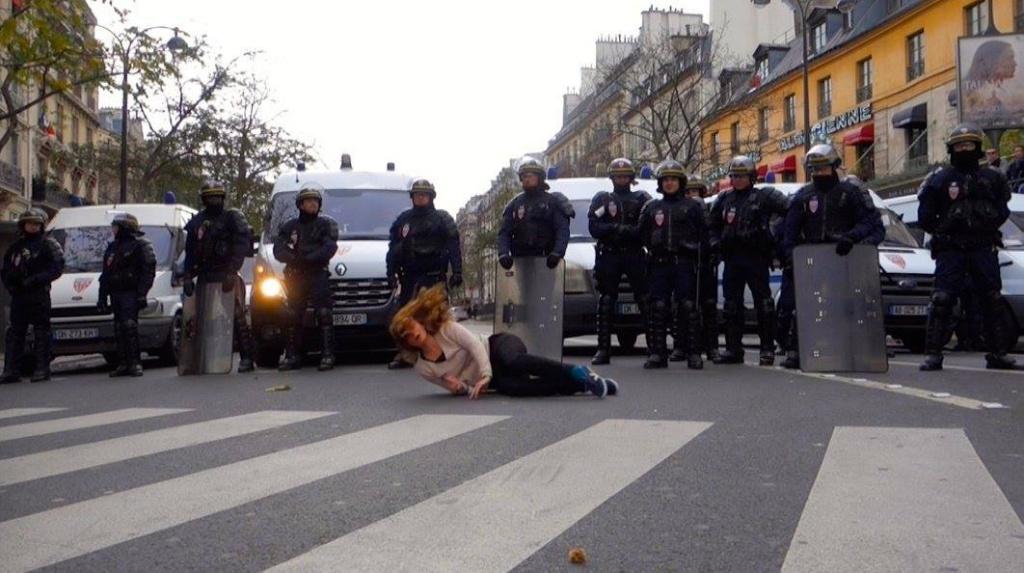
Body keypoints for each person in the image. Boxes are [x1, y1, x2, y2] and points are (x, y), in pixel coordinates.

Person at [390, 285, 617, 399]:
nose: (412, 334)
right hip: (489, 377)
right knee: (514, 388)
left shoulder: (445, 329)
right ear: (406, 342)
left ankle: (575, 371)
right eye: (406, 335)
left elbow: (475, 346)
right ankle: (583, 385)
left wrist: (486, 374)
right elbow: (459, 389)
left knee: (514, 361)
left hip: (496, 346)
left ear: (419, 322)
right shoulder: (423, 367)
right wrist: (461, 388)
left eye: (412, 327)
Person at [918, 124, 1016, 371]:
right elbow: (925, 216)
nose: (964, 149)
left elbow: (1003, 210)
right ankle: (933, 354)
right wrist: (945, 229)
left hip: (983, 246)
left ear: (978, 148)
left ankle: (997, 353)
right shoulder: (940, 180)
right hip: (951, 248)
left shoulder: (992, 178)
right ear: (952, 149)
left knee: (992, 299)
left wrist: (986, 223)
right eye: (960, 145)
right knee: (942, 299)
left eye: (969, 145)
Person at [780, 144, 885, 370]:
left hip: (843, 258)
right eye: (814, 170)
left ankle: (852, 349)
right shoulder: (803, 197)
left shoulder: (852, 193)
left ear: (834, 166)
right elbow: (788, 233)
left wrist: (851, 238)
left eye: (823, 168)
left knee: (847, 307)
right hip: (813, 260)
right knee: (806, 307)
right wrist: (792, 260)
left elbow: (873, 225)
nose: (819, 174)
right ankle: (798, 350)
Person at [709, 156, 789, 366]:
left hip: (756, 257)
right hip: (732, 258)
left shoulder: (764, 196)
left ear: (751, 177)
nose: (737, 179)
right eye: (734, 176)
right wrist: (715, 242)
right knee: (731, 306)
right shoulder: (724, 199)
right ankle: (733, 349)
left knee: (764, 305)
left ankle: (767, 349)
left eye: (741, 176)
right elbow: (711, 226)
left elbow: (791, 211)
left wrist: (773, 233)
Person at [385, 178, 462, 369]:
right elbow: (393, 249)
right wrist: (390, 273)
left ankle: (445, 352)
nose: (421, 197)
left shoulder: (442, 219)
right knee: (406, 317)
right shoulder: (403, 220)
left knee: (438, 317)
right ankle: (406, 354)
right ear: (412, 197)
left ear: (431, 197)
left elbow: (453, 246)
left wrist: (457, 271)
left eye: (424, 194)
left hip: (434, 275)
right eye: (417, 194)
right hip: (410, 276)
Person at [638, 159, 707, 370]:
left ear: (681, 182)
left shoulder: (693, 206)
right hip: (659, 263)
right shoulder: (652, 207)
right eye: (665, 179)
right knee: (658, 307)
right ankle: (658, 353)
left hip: (684, 263)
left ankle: (694, 353)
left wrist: (696, 250)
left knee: (688, 307)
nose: (669, 183)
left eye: (673, 179)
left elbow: (705, 235)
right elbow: (642, 235)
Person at [182, 181, 256, 373]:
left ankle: (247, 357)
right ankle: (198, 359)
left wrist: (232, 271)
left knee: (236, 315)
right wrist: (188, 275)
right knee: (197, 317)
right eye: (210, 197)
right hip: (205, 273)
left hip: (225, 272)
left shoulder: (231, 218)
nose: (213, 200)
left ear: (222, 198)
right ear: (204, 199)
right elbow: (190, 250)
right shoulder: (197, 222)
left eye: (217, 197)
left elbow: (241, 245)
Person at [587, 158, 652, 365]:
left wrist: (632, 232)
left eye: (625, 176)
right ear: (612, 178)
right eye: (617, 176)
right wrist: (615, 229)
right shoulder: (603, 199)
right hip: (610, 254)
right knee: (606, 301)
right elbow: (594, 227)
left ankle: (655, 348)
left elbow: (648, 227)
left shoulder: (642, 198)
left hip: (634, 253)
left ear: (631, 178)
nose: (621, 179)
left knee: (645, 299)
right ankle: (603, 349)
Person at [273, 182, 339, 371]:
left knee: (324, 313)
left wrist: (310, 258)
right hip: (296, 275)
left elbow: (330, 247)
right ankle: (293, 355)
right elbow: (279, 249)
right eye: (308, 201)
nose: (313, 205)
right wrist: (294, 259)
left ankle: (327, 355)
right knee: (292, 315)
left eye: (315, 201)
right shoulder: (290, 226)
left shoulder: (325, 225)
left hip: (317, 273)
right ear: (300, 205)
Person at [0, 209, 64, 383]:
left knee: (41, 332)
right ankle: (11, 370)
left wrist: (37, 279)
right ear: (23, 225)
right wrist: (12, 284)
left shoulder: (48, 244)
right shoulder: (16, 247)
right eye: (29, 223)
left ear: (42, 225)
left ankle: (42, 368)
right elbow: (5, 269)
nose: (32, 226)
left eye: (36, 224)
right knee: (15, 332)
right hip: (19, 295)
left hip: (38, 294)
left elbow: (57, 268)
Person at [98, 213, 156, 378]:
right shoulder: (112, 247)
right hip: (116, 292)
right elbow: (105, 273)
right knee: (118, 328)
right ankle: (123, 363)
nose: (113, 230)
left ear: (124, 228)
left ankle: (135, 363)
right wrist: (102, 297)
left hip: (131, 292)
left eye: (116, 227)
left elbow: (148, 271)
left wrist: (142, 293)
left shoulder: (140, 245)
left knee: (129, 326)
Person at [497, 156, 574, 270]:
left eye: (530, 176)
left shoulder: (552, 202)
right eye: (523, 176)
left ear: (540, 177)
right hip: (521, 263)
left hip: (546, 262)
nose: (526, 179)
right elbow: (504, 232)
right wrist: (503, 253)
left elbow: (562, 230)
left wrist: (557, 253)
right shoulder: (515, 204)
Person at [685, 176, 720, 362]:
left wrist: (713, 249)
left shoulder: (708, 210)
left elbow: (713, 232)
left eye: (695, 191)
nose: (692, 195)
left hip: (704, 262)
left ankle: (712, 346)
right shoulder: (682, 210)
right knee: (686, 306)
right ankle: (685, 346)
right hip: (687, 263)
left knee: (708, 305)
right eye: (689, 192)